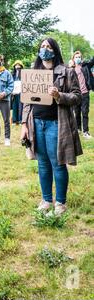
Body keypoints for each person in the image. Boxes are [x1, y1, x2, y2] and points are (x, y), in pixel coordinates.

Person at [21, 38, 83, 216]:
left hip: (56, 123)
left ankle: (60, 203)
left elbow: (77, 97)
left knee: (57, 163)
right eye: (42, 46)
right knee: (42, 163)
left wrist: (59, 95)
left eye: (48, 46)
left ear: (55, 50)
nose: (45, 49)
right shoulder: (33, 73)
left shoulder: (67, 71)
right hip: (36, 123)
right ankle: (47, 200)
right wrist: (24, 124)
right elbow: (26, 102)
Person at [71, 51, 94, 139]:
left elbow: (92, 61)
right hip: (76, 94)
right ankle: (78, 129)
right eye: (76, 57)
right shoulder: (71, 69)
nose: (78, 58)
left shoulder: (85, 66)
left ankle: (86, 132)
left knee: (85, 113)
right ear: (73, 59)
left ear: (81, 58)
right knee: (76, 113)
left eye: (79, 57)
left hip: (85, 93)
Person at [11, 60, 24, 125]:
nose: (17, 66)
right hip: (14, 93)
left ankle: (20, 119)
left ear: (21, 66)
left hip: (21, 93)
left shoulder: (24, 74)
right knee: (14, 106)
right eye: (16, 65)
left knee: (20, 106)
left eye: (19, 65)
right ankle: (14, 120)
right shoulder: (12, 74)